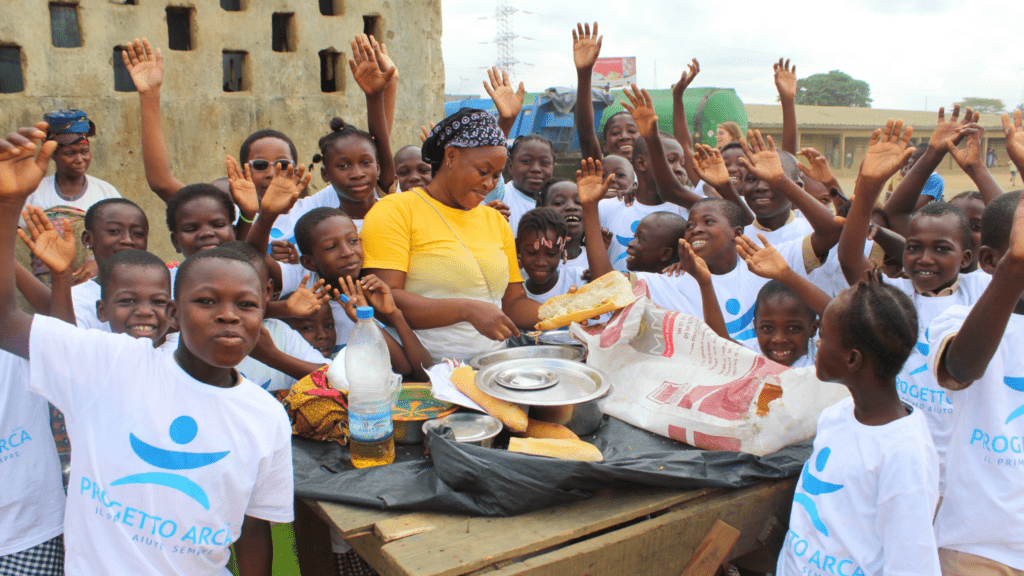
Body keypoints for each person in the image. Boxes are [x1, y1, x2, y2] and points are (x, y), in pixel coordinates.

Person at [0, 124, 294, 575]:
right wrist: (7, 206)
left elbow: (254, 533)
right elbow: (7, 323)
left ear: (262, 315)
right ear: (173, 315)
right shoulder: (110, 366)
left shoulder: (266, 416)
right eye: (206, 301)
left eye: (247, 305)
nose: (230, 315)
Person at [838, 119, 991, 494]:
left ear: (968, 256)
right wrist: (869, 186)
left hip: (957, 462)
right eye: (913, 247)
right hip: (895, 449)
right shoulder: (893, 295)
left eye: (942, 250)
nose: (924, 259)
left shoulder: (980, 292)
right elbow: (849, 259)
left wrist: (977, 170)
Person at [776, 272, 941, 576]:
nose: (816, 341)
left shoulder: (904, 453)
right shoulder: (835, 416)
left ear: (852, 360)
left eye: (822, 335)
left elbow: (910, 565)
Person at [362, 108, 540, 362]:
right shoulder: (395, 211)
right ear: (452, 156)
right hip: (423, 368)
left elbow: (513, 304)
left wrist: (570, 309)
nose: (489, 184)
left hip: (490, 366)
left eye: (497, 176)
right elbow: (384, 299)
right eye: (482, 171)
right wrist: (465, 310)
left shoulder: (494, 220)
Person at [928, 190, 1024, 575]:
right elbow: (961, 369)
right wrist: (1013, 272)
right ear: (989, 261)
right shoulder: (955, 320)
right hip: (976, 549)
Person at [23, 109, 121, 285]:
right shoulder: (34, 192)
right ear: (53, 154)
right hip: (47, 288)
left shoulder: (106, 193)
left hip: (96, 284)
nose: (80, 159)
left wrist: (100, 264)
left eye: (84, 151)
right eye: (70, 153)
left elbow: (124, 242)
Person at [72, 198, 150, 330]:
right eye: (114, 231)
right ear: (88, 239)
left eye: (138, 233)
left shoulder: (164, 292)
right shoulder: (75, 300)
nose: (127, 240)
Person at [572, 22, 639, 162]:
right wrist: (584, 73)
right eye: (615, 132)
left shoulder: (653, 176)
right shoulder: (602, 173)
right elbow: (586, 137)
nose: (624, 136)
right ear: (605, 146)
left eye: (632, 131)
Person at [517, 208, 585, 303]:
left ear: (562, 250)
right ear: (517, 248)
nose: (541, 262)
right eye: (531, 252)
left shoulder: (578, 278)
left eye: (551, 253)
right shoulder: (515, 293)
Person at [500, 135, 555, 237]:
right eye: (526, 161)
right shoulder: (501, 195)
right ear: (510, 166)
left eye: (544, 163)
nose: (536, 169)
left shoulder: (558, 202)